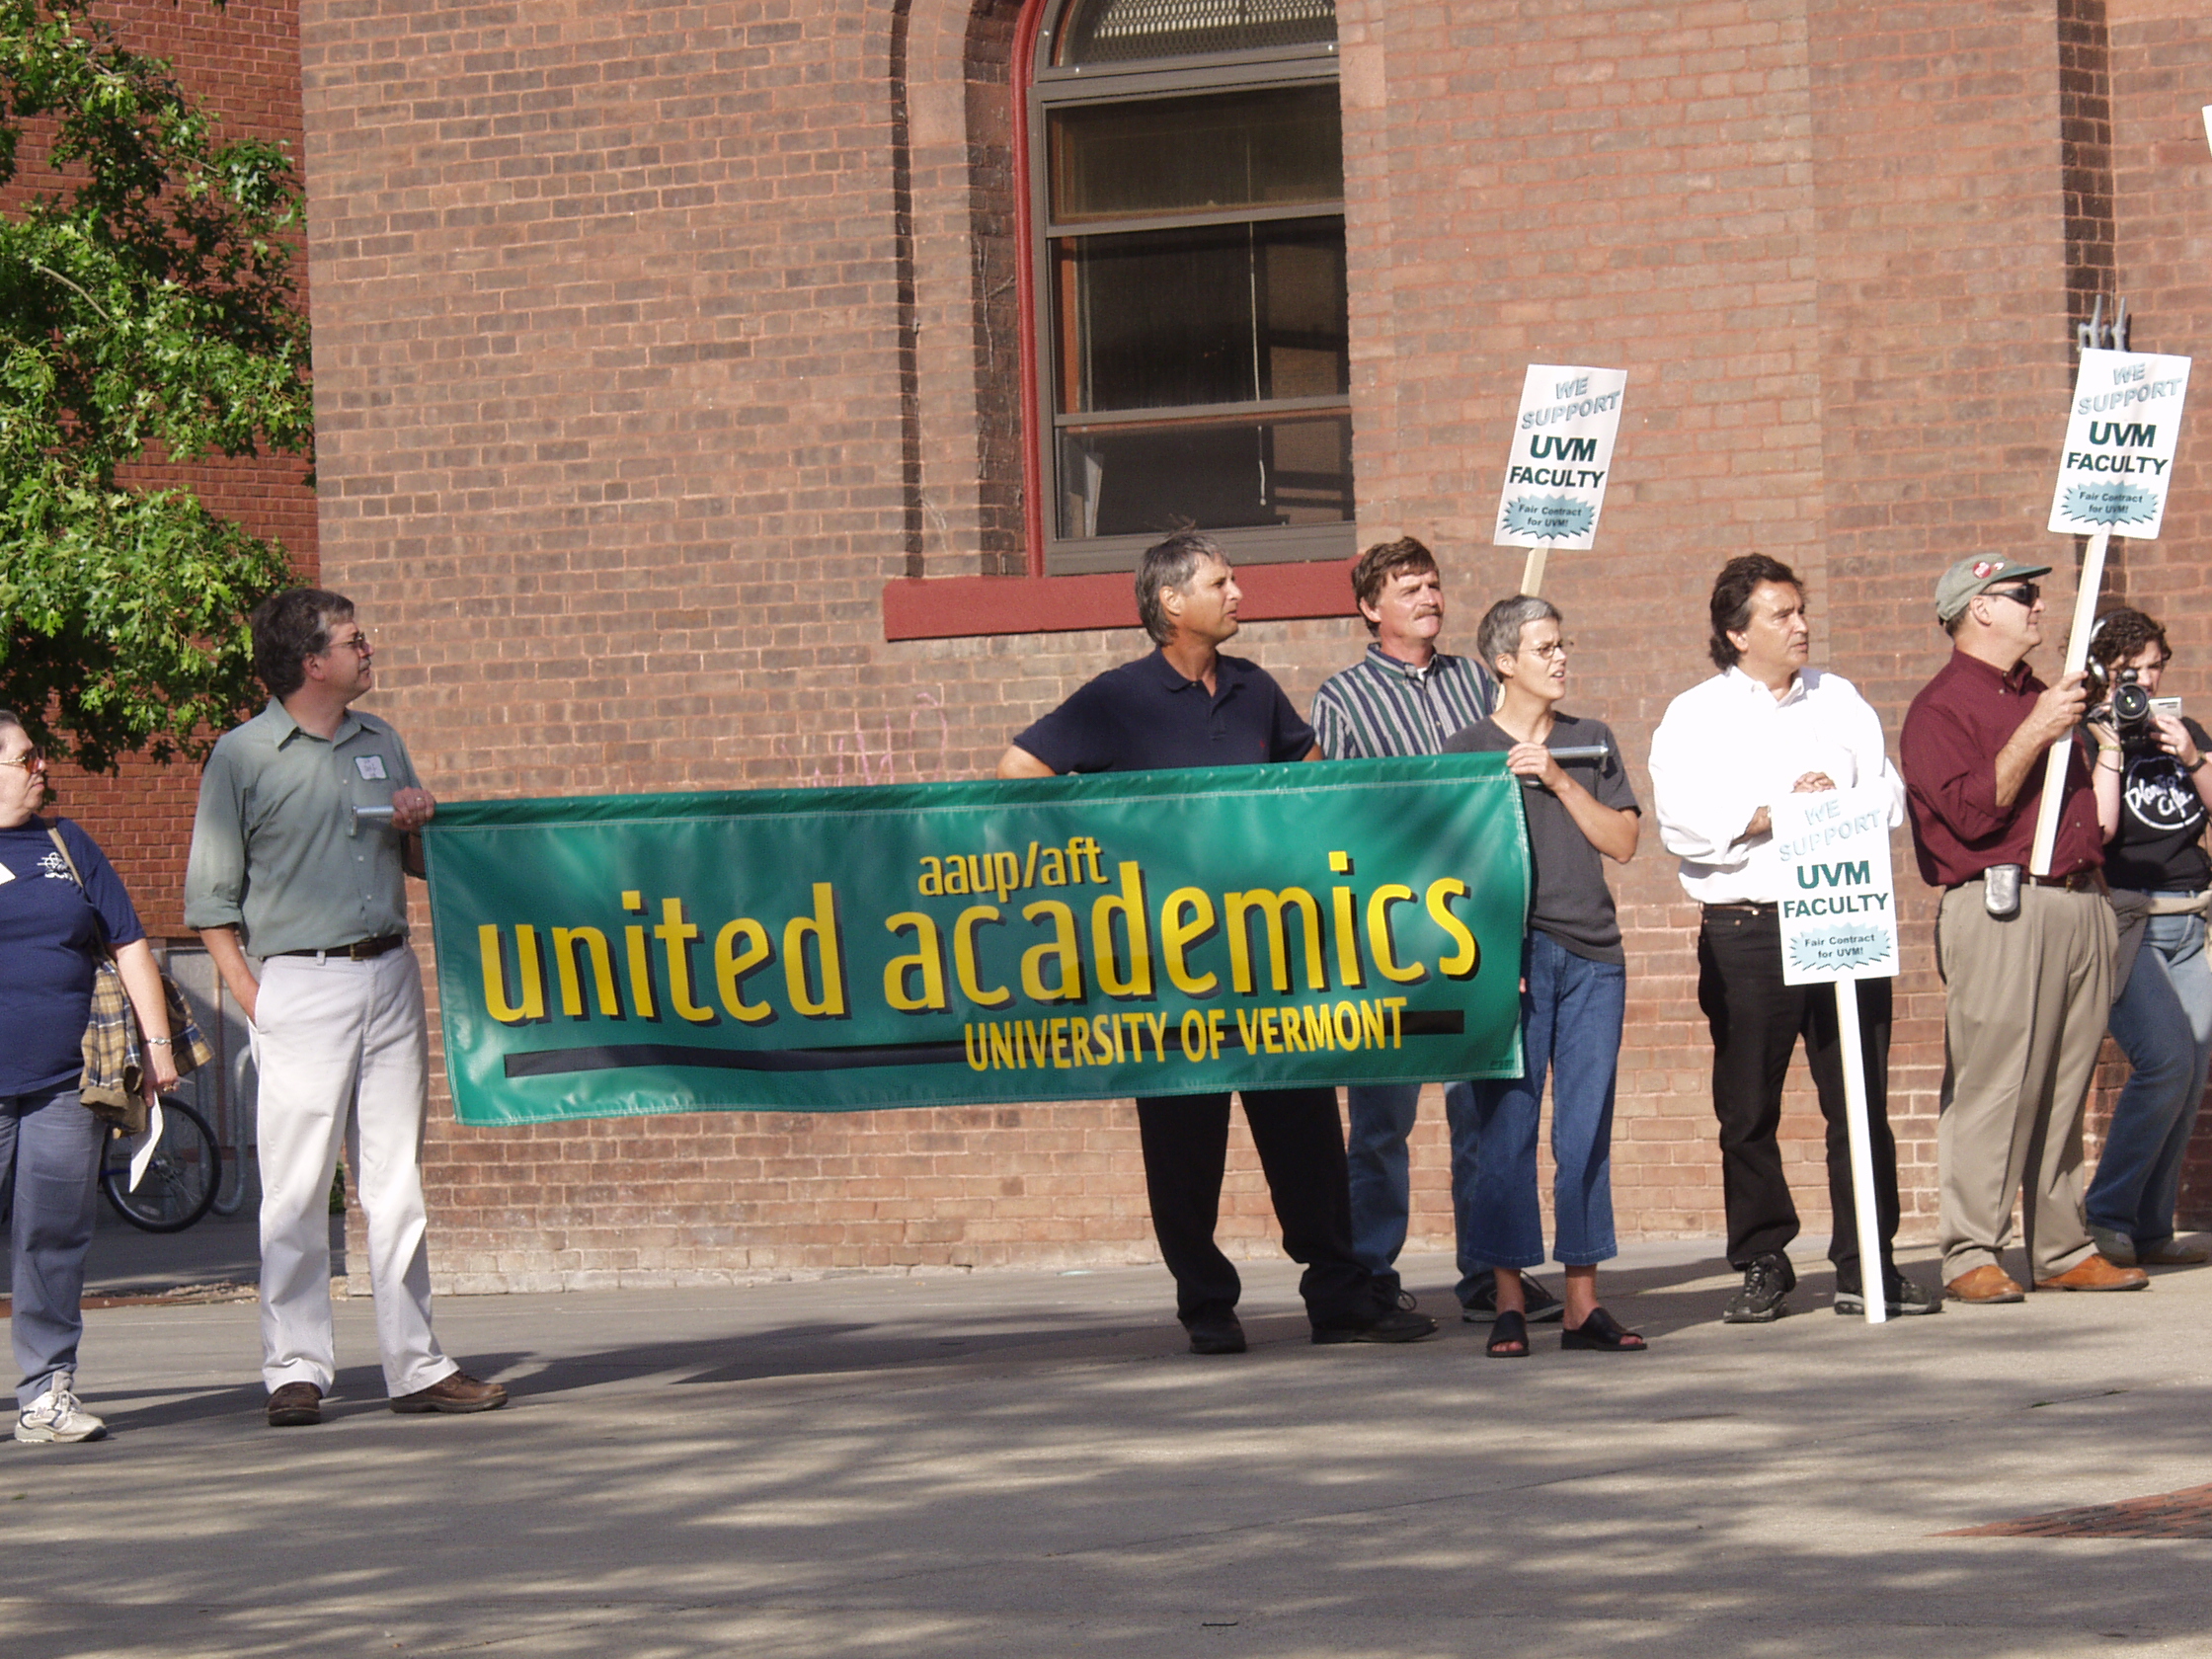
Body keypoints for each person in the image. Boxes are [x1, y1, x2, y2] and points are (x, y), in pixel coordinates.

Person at [997, 530, 1437, 1354]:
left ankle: (1340, 1298)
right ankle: (1206, 1305)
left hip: (1270, 962)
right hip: (1166, 971)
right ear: (1171, 602)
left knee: (1305, 1134)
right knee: (1183, 1146)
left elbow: (1312, 778)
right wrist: (1112, 848)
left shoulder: (1253, 688)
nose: (1238, 593)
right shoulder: (1117, 699)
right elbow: (1019, 772)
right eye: (1221, 582)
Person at [184, 591, 510, 1425]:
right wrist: (253, 995)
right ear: (312, 662)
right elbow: (211, 900)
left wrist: (420, 823)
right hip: (300, 981)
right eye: (354, 640)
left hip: (389, 971)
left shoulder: (380, 740)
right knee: (296, 1186)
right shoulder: (243, 757)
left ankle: (417, 1365)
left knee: (396, 1182)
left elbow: (420, 863)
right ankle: (294, 1369)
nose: (370, 649)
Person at [1646, 556, 1936, 1321]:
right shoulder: (1695, 715)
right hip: (1748, 926)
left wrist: (1835, 800)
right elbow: (1684, 823)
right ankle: (1764, 1262)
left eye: (1801, 610)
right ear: (1737, 633)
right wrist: (1779, 811)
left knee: (1859, 1102)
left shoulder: (1839, 700)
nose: (1802, 625)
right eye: (1782, 614)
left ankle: (1868, 1262)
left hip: (1842, 915)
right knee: (1748, 1108)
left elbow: (1891, 796)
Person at [1309, 539, 1556, 1324]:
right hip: (1387, 936)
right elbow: (1333, 813)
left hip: (1475, 925)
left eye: (1433, 584)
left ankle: (1489, 1273)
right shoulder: (1342, 699)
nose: (1427, 597)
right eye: (1408, 587)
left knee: (1479, 1110)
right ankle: (1371, 1274)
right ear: (1370, 608)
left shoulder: (1479, 684)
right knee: (1381, 1120)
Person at [1897, 556, 2147, 1303]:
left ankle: (2063, 1244)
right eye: (2023, 595)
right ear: (1979, 608)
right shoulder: (1940, 709)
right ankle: (1970, 1249)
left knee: (2066, 1082)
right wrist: (2037, 731)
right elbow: (1971, 815)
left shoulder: (2043, 692)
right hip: (2002, 907)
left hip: (2078, 899)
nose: (2039, 605)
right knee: (1993, 1083)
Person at [1442, 596, 1647, 1355]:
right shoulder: (1466, 750)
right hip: (1511, 966)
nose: (1560, 658)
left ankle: (1582, 1305)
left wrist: (1560, 779)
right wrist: (1492, 959)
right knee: (1506, 1131)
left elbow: (1622, 841)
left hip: (1593, 960)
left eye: (1563, 644)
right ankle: (1507, 1300)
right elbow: (1450, 870)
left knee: (1584, 1130)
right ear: (1504, 662)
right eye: (1544, 648)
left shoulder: (1590, 741)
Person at [0, 710, 178, 1443]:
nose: (42, 766)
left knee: (53, 1237)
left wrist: (158, 1046)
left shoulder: (66, 844)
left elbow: (129, 941)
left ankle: (46, 1394)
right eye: (26, 758)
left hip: (66, 1083)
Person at [2082, 607, 2212, 1269]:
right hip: (2129, 922)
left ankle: (2151, 1228)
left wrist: (2192, 756)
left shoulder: (2183, 732)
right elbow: (2097, 831)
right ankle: (2107, 1215)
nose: (2148, 681)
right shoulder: (2086, 738)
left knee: (2191, 1074)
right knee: (2165, 1061)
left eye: (2156, 667)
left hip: (2191, 919)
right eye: (2131, 670)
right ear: (2103, 672)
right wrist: (2109, 741)